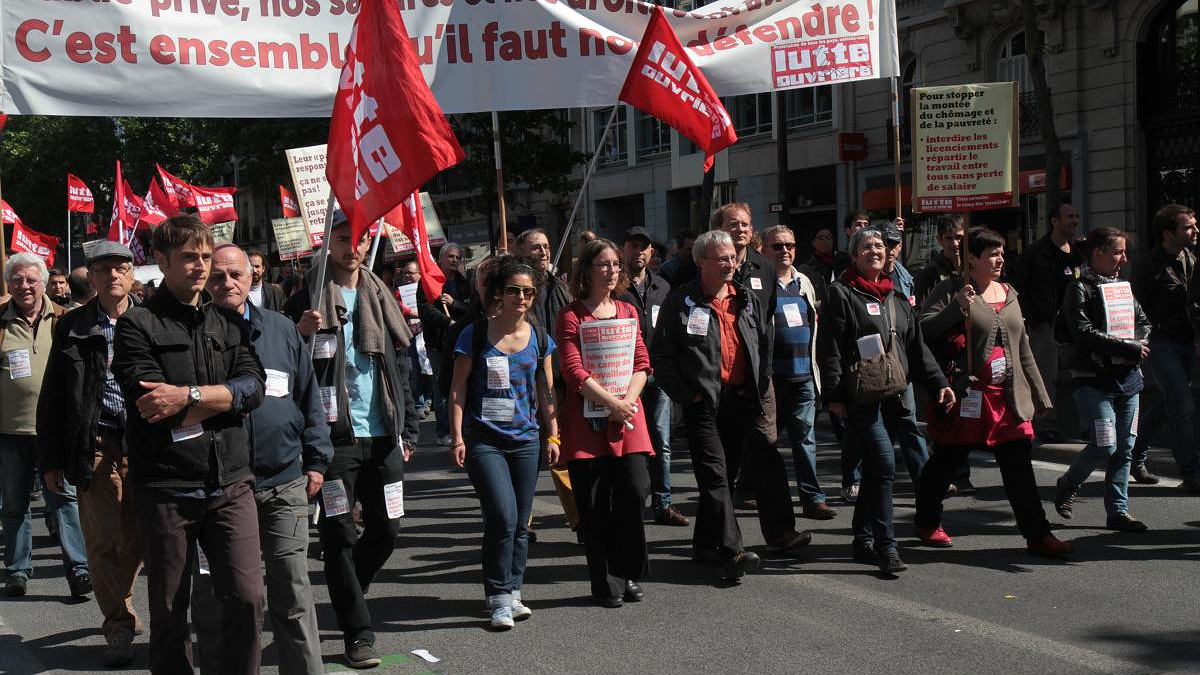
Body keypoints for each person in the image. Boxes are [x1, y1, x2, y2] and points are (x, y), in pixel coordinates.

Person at [111, 214, 266, 675]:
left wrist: (192, 395)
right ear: (161, 261)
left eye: (204, 256)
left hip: (231, 482)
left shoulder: (227, 320)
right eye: (189, 258)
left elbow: (255, 387)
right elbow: (152, 406)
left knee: (247, 597)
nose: (201, 267)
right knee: (170, 611)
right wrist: (224, 399)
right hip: (167, 487)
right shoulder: (137, 325)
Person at [285, 210, 419, 669]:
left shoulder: (379, 295)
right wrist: (300, 333)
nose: (352, 247)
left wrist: (410, 425)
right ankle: (357, 633)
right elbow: (289, 369)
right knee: (339, 535)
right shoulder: (306, 299)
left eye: (359, 239)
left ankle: (348, 593)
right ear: (327, 244)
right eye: (343, 239)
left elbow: (399, 365)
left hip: (383, 436)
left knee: (387, 528)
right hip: (335, 439)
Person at [192, 243, 333, 675]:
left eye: (235, 274)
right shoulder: (192, 333)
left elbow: (308, 397)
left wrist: (316, 460)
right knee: (222, 596)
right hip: (221, 488)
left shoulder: (282, 329)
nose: (227, 283)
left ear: (253, 277)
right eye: (218, 276)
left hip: (284, 481)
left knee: (293, 592)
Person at [652, 230, 811, 582]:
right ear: (701, 261)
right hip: (703, 402)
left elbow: (763, 343)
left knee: (744, 467)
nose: (731, 263)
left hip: (743, 398)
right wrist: (687, 394)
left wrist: (761, 379)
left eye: (733, 258)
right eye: (722, 258)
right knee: (715, 476)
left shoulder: (747, 298)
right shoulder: (682, 301)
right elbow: (661, 358)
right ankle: (732, 550)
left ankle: (705, 545)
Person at [915, 227, 1073, 558]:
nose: (1000, 259)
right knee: (946, 462)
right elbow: (924, 330)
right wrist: (957, 307)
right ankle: (927, 520)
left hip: (1008, 400)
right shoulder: (952, 290)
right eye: (992, 254)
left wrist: (1040, 395)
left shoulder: (1010, 293)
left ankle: (1038, 535)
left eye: (1002, 253)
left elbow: (1022, 347)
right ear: (972, 259)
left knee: (1019, 469)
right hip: (969, 396)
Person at [816, 227, 954, 574]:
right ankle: (885, 546)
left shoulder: (896, 297)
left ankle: (862, 539)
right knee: (885, 465)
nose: (874, 251)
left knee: (878, 468)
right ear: (854, 254)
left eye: (879, 246)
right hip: (859, 397)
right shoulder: (841, 293)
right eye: (866, 247)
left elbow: (916, 348)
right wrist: (833, 397)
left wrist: (938, 381)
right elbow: (829, 349)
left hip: (894, 394)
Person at [37, 242, 141, 667]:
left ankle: (124, 600)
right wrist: (52, 459)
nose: (113, 276)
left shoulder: (152, 320)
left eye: (121, 268)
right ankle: (118, 626)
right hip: (93, 445)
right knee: (101, 544)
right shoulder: (72, 326)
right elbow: (55, 393)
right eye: (104, 269)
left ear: (132, 275)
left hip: (145, 448)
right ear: (91, 278)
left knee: (136, 542)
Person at [449, 255, 559, 628]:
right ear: (498, 293)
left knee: (520, 523)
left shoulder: (541, 337)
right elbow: (457, 390)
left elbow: (546, 390)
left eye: (529, 291)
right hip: (485, 441)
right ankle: (497, 596)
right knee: (502, 516)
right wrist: (458, 436)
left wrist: (553, 433)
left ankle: (513, 591)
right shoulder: (475, 335)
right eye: (514, 290)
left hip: (526, 440)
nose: (522, 297)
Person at [558, 239, 656, 607]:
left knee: (634, 491)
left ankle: (628, 568)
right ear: (586, 270)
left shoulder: (629, 311)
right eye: (603, 264)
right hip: (589, 424)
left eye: (616, 264)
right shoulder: (571, 315)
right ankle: (607, 581)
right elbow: (572, 369)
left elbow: (642, 361)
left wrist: (626, 402)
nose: (612, 270)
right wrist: (611, 402)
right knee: (595, 506)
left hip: (628, 419)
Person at [1, 253, 89, 600]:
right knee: (14, 505)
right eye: (18, 280)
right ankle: (18, 571)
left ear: (43, 283)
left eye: (30, 280)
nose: (24, 286)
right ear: (10, 285)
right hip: (10, 431)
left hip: (54, 431)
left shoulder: (65, 320)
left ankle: (79, 569)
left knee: (64, 501)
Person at [1052, 227, 1152, 532]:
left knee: (1125, 447)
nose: (1123, 258)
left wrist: (1141, 341)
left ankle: (1118, 512)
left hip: (1129, 380)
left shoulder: (1122, 286)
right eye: (1118, 252)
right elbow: (1083, 333)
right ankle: (1067, 484)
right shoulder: (1079, 289)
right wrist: (1130, 347)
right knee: (1105, 445)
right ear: (1098, 253)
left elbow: (1143, 321)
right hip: (1093, 380)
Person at [762, 225, 833, 519]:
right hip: (770, 380)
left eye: (789, 246)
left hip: (803, 375)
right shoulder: (758, 283)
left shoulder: (804, 281)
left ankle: (812, 498)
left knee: (805, 440)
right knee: (767, 444)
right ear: (764, 250)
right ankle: (755, 491)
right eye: (777, 246)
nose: (785, 251)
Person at [618, 227, 687, 526]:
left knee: (662, 440)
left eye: (644, 247)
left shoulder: (662, 286)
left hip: (658, 376)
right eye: (633, 246)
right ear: (624, 250)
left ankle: (663, 503)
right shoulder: (616, 286)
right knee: (627, 443)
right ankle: (627, 502)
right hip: (626, 378)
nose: (640, 252)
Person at [710, 203, 777, 506]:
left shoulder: (766, 267)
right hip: (719, 382)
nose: (740, 230)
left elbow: (768, 318)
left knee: (767, 447)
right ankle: (720, 525)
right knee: (725, 456)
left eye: (746, 225)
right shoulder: (706, 268)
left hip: (758, 378)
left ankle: (779, 529)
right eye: (733, 224)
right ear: (719, 229)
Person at [516, 228, 580, 536]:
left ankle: (579, 520)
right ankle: (520, 522)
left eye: (546, 246)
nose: (543, 251)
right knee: (526, 455)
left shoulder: (560, 286)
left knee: (561, 452)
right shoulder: (517, 289)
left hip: (561, 381)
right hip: (528, 381)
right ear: (521, 253)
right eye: (535, 247)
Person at [1010, 202, 1083, 442]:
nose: (1074, 221)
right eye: (1069, 217)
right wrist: (1033, 321)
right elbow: (1019, 286)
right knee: (1045, 375)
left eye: (1076, 216)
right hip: (1046, 324)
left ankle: (1082, 424)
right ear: (1054, 221)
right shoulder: (1037, 252)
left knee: (1079, 374)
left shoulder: (1078, 252)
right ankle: (1045, 424)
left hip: (1074, 324)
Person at [1140, 204, 1200, 492]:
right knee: (1182, 404)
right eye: (1188, 226)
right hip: (1161, 342)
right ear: (1168, 233)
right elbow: (1135, 307)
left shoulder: (1191, 258)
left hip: (1187, 341)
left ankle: (1134, 456)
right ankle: (1191, 472)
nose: (1195, 230)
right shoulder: (1148, 265)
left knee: (1167, 402)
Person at [419, 242, 472, 447]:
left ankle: (460, 428)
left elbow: (470, 309)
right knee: (443, 387)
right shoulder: (428, 281)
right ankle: (444, 430)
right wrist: (448, 322)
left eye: (458, 258)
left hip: (461, 343)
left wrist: (454, 304)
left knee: (460, 384)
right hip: (438, 344)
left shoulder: (464, 283)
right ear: (440, 259)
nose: (454, 261)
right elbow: (425, 310)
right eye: (450, 257)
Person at [913, 214, 965, 307]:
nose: (955, 243)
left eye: (959, 237)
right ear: (940, 240)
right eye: (949, 238)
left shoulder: (973, 268)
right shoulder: (928, 273)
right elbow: (921, 312)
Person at [797, 227, 835, 304]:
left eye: (829, 237)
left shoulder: (840, 264)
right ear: (813, 242)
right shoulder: (805, 269)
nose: (825, 241)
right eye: (821, 238)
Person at [245, 248, 288, 313]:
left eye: (257, 266)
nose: (254, 270)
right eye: (251, 266)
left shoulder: (275, 292)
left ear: (263, 268)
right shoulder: (239, 293)